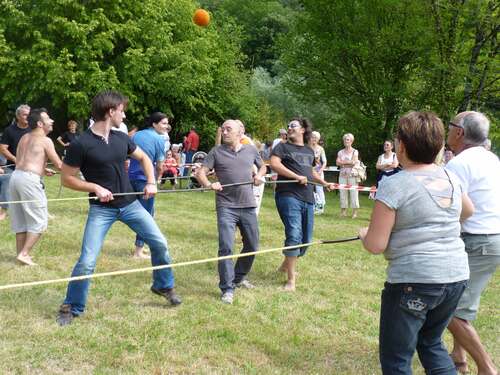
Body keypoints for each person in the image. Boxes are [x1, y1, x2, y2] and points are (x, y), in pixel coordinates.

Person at [359, 111, 474, 375]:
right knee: (431, 343)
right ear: (439, 146)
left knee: (397, 359)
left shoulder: (394, 184)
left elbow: (375, 245)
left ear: (401, 145)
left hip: (414, 281)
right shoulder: (450, 178)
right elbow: (468, 211)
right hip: (455, 277)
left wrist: (365, 233)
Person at [56, 91, 181, 327]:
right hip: (102, 209)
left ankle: (163, 285)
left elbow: (144, 158)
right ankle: (72, 306)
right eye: (121, 110)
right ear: (110, 111)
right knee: (87, 261)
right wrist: (95, 187)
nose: (124, 114)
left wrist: (152, 181)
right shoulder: (81, 144)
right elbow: (66, 179)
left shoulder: (121, 138)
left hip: (130, 204)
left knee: (159, 243)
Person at [445, 111, 499, 375]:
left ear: (460, 133)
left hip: (475, 241)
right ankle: (459, 357)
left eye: (450, 126)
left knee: (448, 308)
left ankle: (487, 367)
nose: (447, 130)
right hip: (493, 240)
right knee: (462, 301)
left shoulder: (458, 164)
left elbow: (451, 209)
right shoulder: (492, 159)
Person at [196, 119, 267, 304]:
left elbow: (263, 166)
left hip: (248, 205)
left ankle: (239, 278)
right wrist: (209, 184)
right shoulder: (216, 151)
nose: (225, 132)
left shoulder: (251, 150)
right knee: (226, 246)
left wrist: (259, 176)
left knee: (252, 245)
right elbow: (201, 172)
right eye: (223, 129)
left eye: (229, 129)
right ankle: (227, 288)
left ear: (240, 132)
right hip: (226, 206)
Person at [270, 118, 334, 292]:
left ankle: (285, 265)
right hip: (288, 195)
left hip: (308, 197)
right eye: (288, 126)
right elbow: (274, 164)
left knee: (305, 241)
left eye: (293, 126)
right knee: (294, 235)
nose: (289, 128)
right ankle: (291, 280)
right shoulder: (282, 147)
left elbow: (311, 171)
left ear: (303, 130)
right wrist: (295, 177)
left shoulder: (309, 150)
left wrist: (324, 182)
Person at [8, 108, 62, 265]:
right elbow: (59, 165)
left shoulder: (24, 137)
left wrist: (43, 170)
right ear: (40, 123)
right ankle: (24, 254)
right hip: (29, 180)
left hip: (16, 177)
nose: (51, 121)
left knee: (20, 220)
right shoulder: (46, 140)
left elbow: (22, 160)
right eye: (48, 118)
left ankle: (20, 255)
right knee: (39, 220)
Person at [128, 112, 169, 259]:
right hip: (145, 181)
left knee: (141, 213)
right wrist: (156, 180)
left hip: (130, 179)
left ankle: (141, 247)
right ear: (154, 124)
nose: (166, 126)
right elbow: (159, 165)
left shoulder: (136, 134)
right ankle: (138, 252)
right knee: (146, 216)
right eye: (164, 123)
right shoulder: (159, 139)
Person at [0, 104, 31, 220]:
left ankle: (41, 209)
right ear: (18, 116)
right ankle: (3, 211)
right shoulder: (9, 130)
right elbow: (3, 148)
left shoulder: (33, 130)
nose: (27, 117)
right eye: (24, 115)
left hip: (31, 166)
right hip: (13, 166)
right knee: (6, 180)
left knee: (39, 184)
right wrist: (15, 160)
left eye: (29, 115)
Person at [336, 133, 360, 218]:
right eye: (345, 139)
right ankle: (343, 211)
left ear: (352, 141)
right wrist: (347, 163)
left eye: (348, 139)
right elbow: (337, 162)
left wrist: (343, 163)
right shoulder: (340, 152)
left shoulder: (355, 151)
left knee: (353, 192)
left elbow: (354, 162)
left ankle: (354, 212)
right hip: (342, 174)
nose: (346, 141)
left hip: (352, 174)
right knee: (343, 192)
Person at [309, 131, 327, 214]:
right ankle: (312, 206)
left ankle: (321, 206)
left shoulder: (321, 149)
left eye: (315, 138)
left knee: (320, 189)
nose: (314, 139)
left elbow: (325, 162)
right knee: (309, 188)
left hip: (318, 171)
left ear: (318, 139)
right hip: (309, 171)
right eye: (312, 137)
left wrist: (321, 170)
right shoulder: (307, 147)